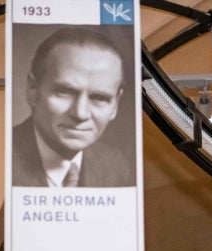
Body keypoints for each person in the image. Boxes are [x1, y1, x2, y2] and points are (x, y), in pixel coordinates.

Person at [12, 27, 132, 188]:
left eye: (99, 98)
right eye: (64, 92)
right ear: (33, 90)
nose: (80, 114)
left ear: (116, 104)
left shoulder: (116, 166)